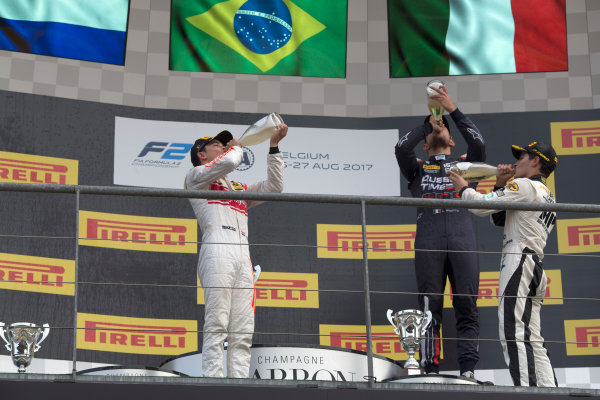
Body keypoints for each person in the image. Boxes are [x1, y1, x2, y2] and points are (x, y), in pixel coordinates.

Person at [448, 141, 558, 387]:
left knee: (513, 334)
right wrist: (500, 183)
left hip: (518, 261)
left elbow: (481, 207)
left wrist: (464, 188)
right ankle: (550, 391)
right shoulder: (546, 194)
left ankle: (529, 391)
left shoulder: (524, 186)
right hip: (535, 266)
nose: (516, 161)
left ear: (535, 161)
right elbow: (499, 218)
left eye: (522, 157)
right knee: (533, 339)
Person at [395, 85, 485, 378]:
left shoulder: (465, 166)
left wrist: (451, 109)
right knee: (428, 307)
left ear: (452, 140)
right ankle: (429, 368)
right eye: (436, 128)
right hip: (429, 240)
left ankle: (468, 369)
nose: (440, 128)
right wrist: (427, 124)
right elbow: (400, 148)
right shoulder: (417, 169)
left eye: (444, 127)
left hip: (462, 239)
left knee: (466, 304)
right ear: (425, 143)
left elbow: (480, 145)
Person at [185, 124, 287, 378]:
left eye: (224, 144)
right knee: (217, 323)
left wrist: (273, 147)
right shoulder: (196, 177)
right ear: (202, 154)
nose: (223, 145)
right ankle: (212, 380)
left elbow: (274, 187)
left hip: (243, 257)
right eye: (216, 144)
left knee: (243, 330)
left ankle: (240, 383)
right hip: (217, 250)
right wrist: (237, 148)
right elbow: (228, 163)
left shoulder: (237, 188)